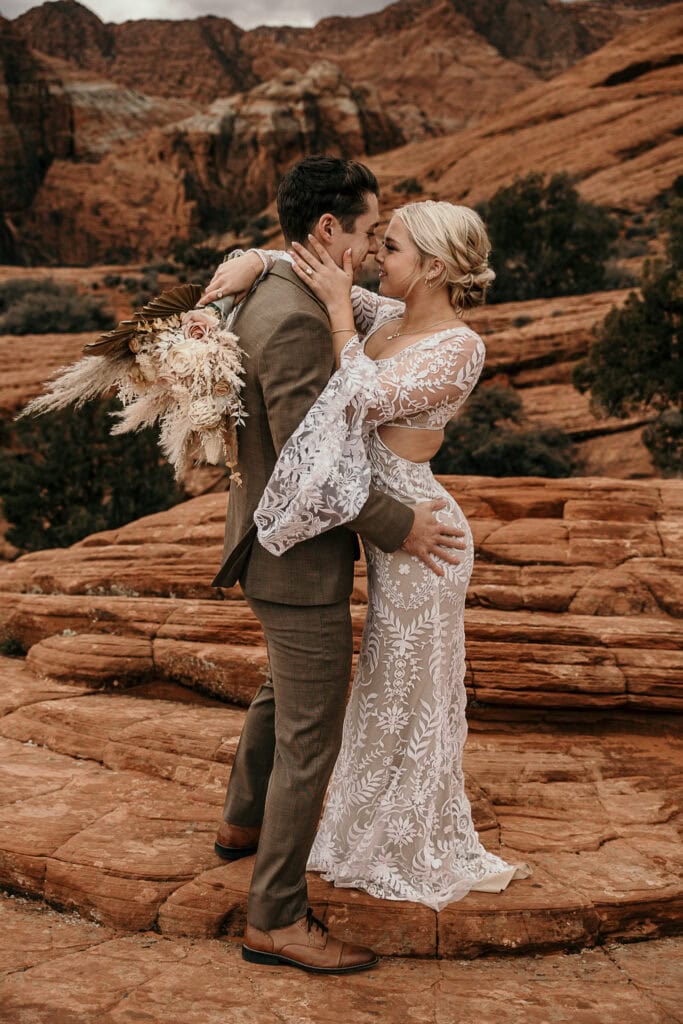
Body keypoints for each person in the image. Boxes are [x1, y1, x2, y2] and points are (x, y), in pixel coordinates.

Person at [205, 197, 531, 914]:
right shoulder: (391, 317)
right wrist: (252, 261)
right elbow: (313, 264)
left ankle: (404, 838)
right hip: (386, 529)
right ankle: (356, 823)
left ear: (435, 268)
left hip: (421, 536)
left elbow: (359, 399)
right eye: (378, 244)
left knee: (408, 688)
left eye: (393, 249)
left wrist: (340, 319)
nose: (377, 258)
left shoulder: (456, 345)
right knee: (376, 680)